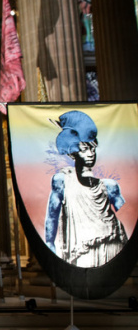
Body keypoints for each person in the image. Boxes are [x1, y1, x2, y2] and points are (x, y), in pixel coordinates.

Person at [44, 110, 126, 267]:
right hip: (82, 249)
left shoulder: (110, 185)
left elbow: (127, 213)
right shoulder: (62, 181)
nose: (90, 154)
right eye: (84, 149)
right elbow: (52, 216)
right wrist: (49, 243)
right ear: (73, 153)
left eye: (93, 149)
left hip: (112, 244)